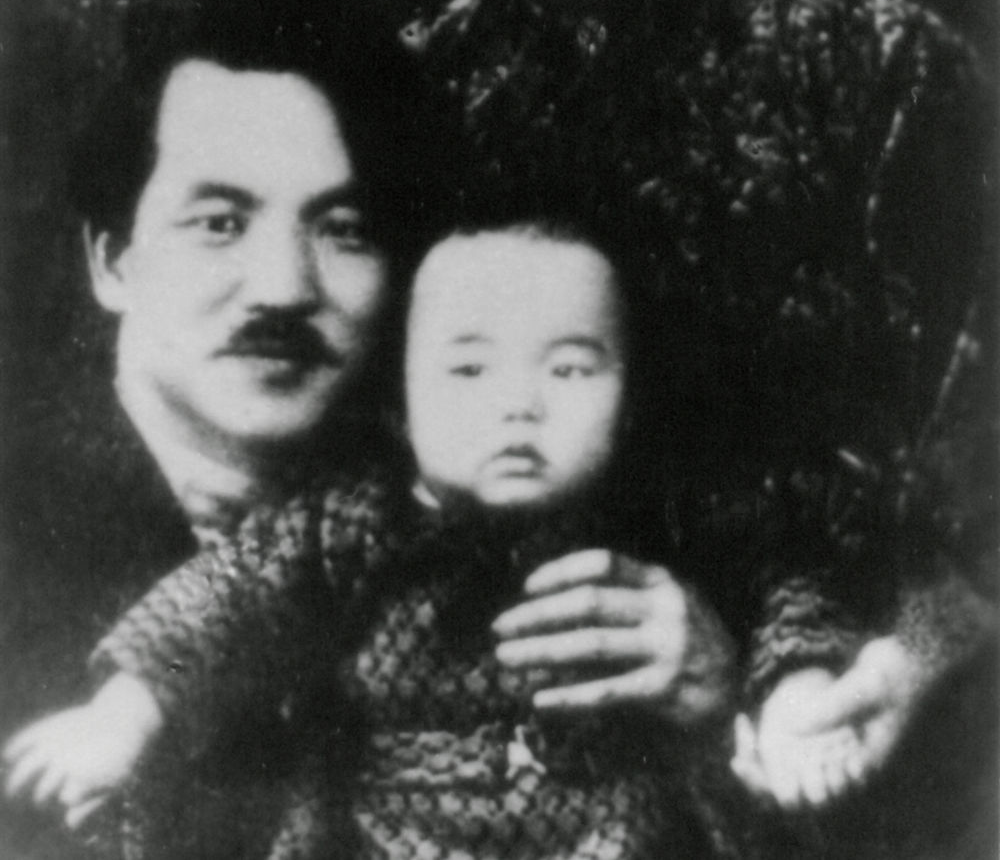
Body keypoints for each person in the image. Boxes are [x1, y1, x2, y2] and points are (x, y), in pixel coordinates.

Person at [397, 0, 996, 824]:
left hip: (828, 734)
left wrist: (908, 649)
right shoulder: (414, 86)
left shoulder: (885, 69)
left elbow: (974, 477)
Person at [2, 212, 754, 860]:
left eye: (569, 369)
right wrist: (121, 716)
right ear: (401, 403)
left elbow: (780, 601)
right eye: (469, 368)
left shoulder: (654, 537)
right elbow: (224, 597)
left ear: (627, 402)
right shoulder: (350, 527)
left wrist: (787, 698)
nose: (520, 403)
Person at [0, 0, 435, 858]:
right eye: (220, 223)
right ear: (113, 260)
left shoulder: (437, 541)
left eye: (344, 229)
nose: (284, 286)